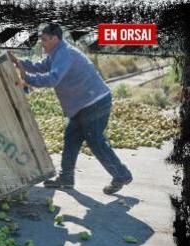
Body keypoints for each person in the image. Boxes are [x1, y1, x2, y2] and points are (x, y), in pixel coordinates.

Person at [9, 24, 132, 195]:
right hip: (83, 105)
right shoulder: (55, 54)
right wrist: (19, 63)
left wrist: (26, 78)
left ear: (55, 38)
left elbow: (53, 79)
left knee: (95, 141)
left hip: (94, 102)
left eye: (44, 40)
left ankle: (121, 175)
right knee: (71, 138)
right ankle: (66, 179)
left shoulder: (64, 53)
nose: (42, 43)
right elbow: (40, 67)